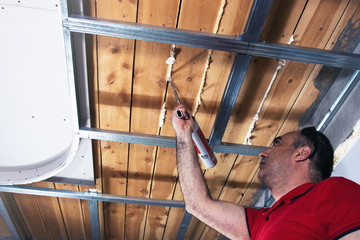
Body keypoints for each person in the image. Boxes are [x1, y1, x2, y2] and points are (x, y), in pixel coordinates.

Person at [171, 105, 360, 240]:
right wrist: (183, 134)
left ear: (301, 153)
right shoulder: (262, 221)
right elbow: (197, 204)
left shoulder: (333, 191)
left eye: (277, 143)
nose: (263, 152)